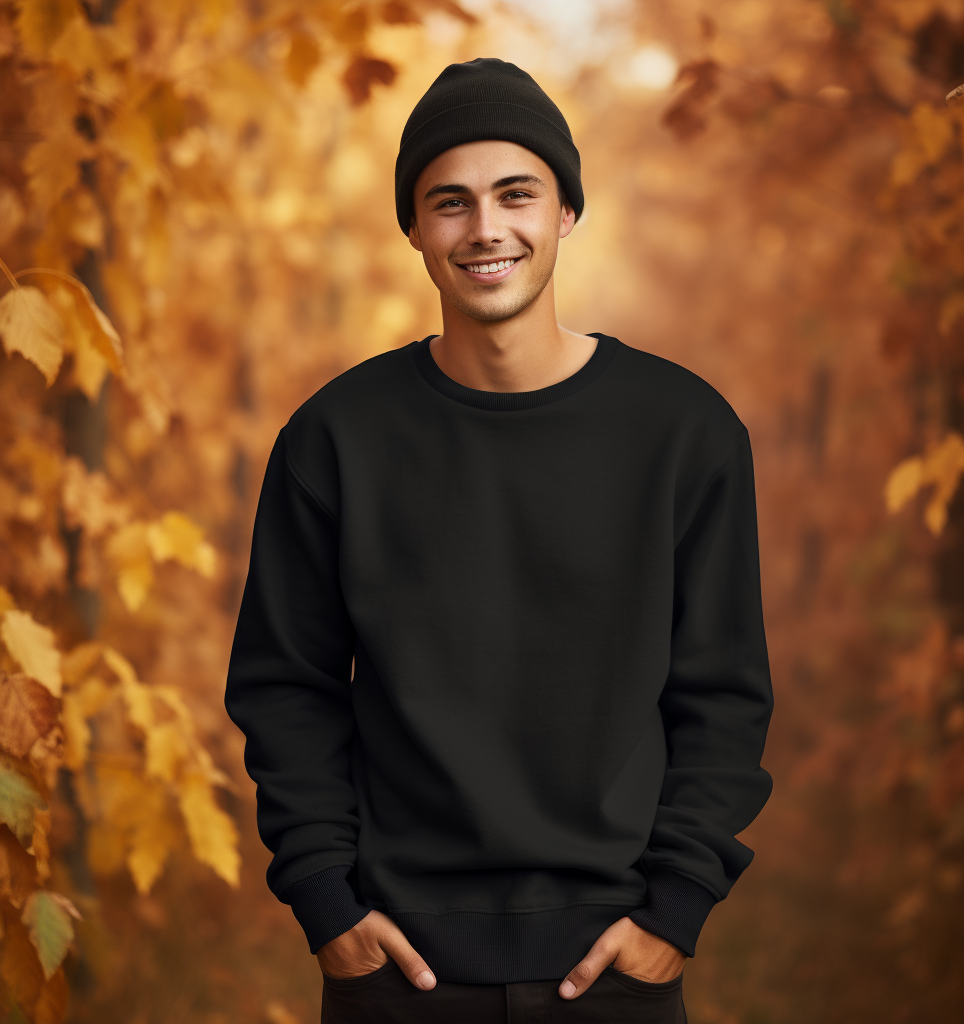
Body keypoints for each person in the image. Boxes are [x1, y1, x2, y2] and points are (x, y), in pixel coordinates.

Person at [225, 57, 774, 1024]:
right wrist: (327, 907)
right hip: (395, 969)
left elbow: (722, 695)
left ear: (565, 211)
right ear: (413, 228)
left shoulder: (685, 433)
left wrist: (676, 912)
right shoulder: (334, 440)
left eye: (517, 194)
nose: (486, 229)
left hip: (618, 965)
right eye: (451, 202)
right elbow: (285, 688)